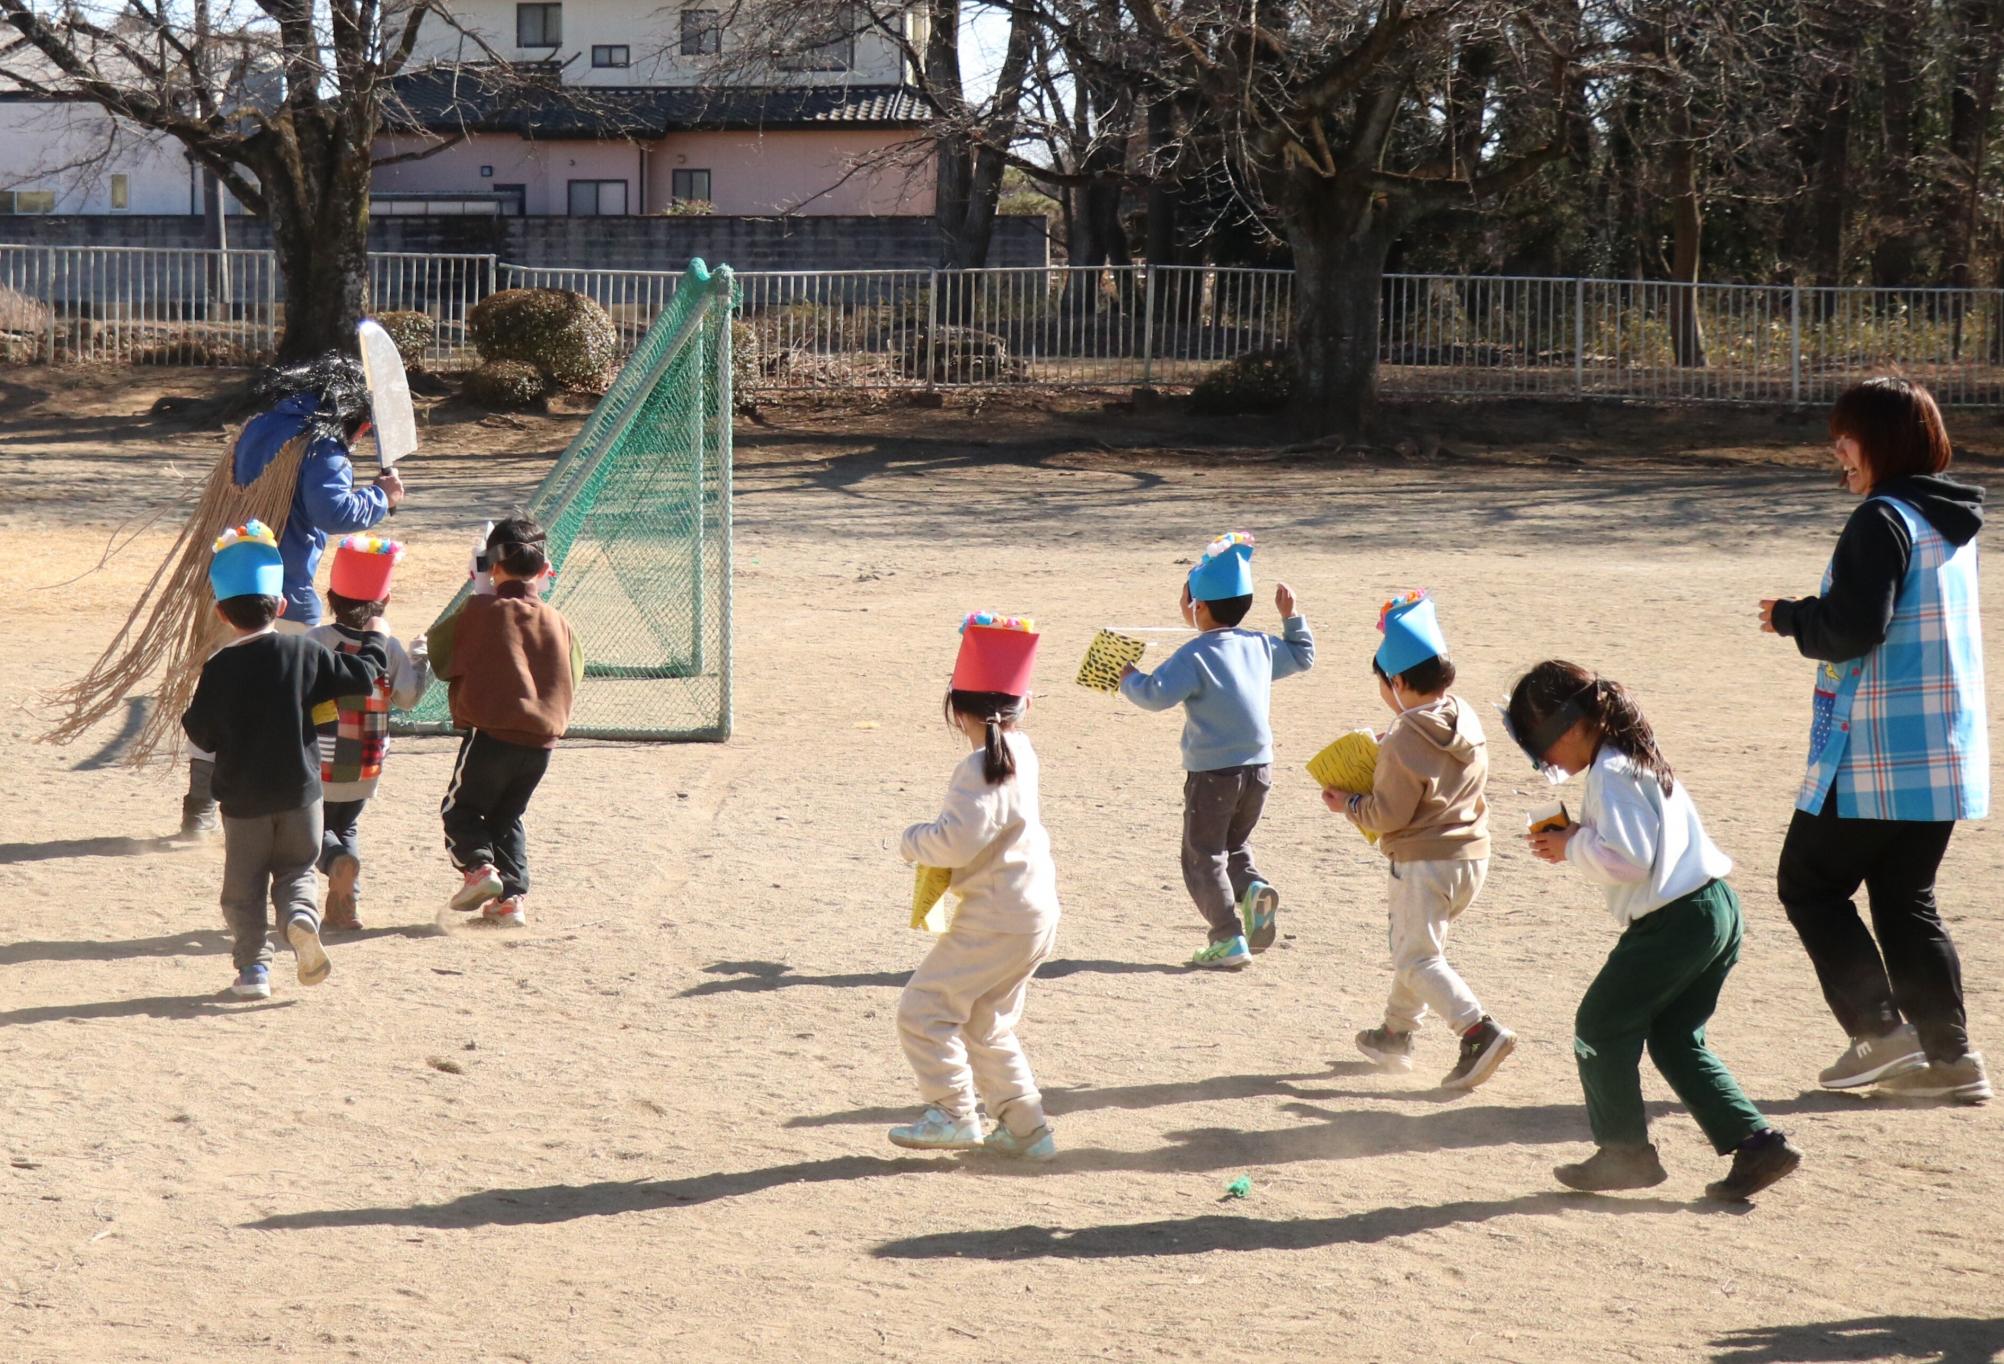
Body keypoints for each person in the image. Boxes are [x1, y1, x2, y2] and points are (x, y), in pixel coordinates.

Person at [1759, 377, 1990, 1103]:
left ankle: (1881, 1030)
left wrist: (1793, 617)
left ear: (1880, 442)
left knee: (1809, 883)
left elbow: (1856, 628)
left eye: (1847, 435)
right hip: (1943, 751)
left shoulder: (1880, 519)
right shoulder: (1948, 523)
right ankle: (1952, 1058)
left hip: (1876, 751)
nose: (1838, 449)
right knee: (1904, 899)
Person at [1506, 660, 1802, 1202]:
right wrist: (1574, 838)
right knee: (1673, 1036)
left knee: (1599, 1024)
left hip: (1675, 920)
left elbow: (1631, 859)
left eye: (1539, 747)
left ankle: (1625, 1154)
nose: (1541, 761)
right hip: (1713, 908)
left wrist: (1571, 842)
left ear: (1571, 729)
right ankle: (1757, 1143)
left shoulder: (1611, 773)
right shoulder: (1630, 755)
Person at [180, 353, 408, 839]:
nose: (361, 438)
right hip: (280, 597)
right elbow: (334, 510)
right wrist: (381, 498)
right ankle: (290, 809)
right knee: (291, 702)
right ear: (354, 416)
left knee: (224, 697)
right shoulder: (321, 443)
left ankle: (198, 809)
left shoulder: (259, 425)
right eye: (362, 430)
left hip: (226, 585)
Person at [180, 522, 387, 999]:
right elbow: (363, 677)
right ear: (283, 605)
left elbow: (200, 732)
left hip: (244, 802)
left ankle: (254, 970)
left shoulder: (220, 667)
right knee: (296, 872)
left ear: (221, 612)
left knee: (244, 889)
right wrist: (374, 634)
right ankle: (298, 921)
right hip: (302, 795)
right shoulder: (305, 652)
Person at [1323, 592, 1514, 1091]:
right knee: (1419, 947)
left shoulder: (1406, 734)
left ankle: (1477, 1029)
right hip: (1471, 856)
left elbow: (1387, 815)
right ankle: (1394, 1034)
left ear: (1400, 681)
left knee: (1416, 957)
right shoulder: (1463, 713)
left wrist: (1347, 804)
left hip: (1424, 861)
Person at [890, 614, 1063, 1160]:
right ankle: (1027, 1127)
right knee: (986, 1021)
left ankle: (952, 1112)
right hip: (1033, 913)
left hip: (995, 915)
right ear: (1024, 705)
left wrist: (914, 840)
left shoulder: (979, 766)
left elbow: (957, 842)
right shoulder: (1024, 752)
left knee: (924, 1010)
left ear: (955, 708)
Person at [1118, 533, 1315, 969]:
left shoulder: (1194, 654)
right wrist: (1291, 616)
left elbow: (1153, 695)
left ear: (1199, 607)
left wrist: (1126, 675)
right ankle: (1253, 890)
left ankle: (1227, 938)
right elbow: (1303, 657)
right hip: (1260, 768)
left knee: (1202, 854)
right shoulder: (1260, 646)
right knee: (1235, 844)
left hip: (1213, 774)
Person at [428, 518, 582, 927]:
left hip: (491, 736)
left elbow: (441, 657)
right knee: (506, 816)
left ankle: (479, 870)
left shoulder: (483, 611)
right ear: (545, 571)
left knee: (460, 811)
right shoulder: (559, 621)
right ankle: (511, 900)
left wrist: (478, 594)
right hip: (542, 744)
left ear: (490, 567)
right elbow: (574, 672)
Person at [305, 535, 431, 932]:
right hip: (366, 765)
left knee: (313, 832)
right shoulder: (389, 647)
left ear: (329, 596)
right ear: (386, 601)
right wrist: (419, 660)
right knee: (347, 826)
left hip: (322, 763)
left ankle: (333, 862)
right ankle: (349, 905)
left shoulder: (315, 641)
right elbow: (408, 697)